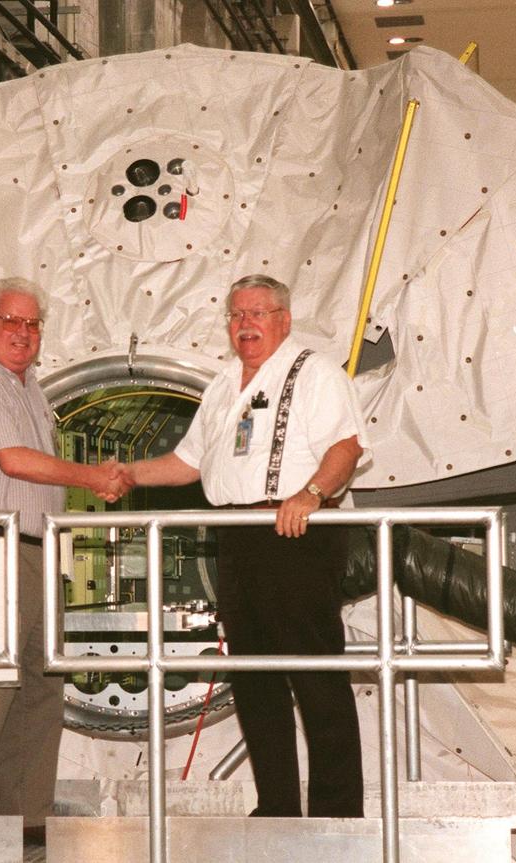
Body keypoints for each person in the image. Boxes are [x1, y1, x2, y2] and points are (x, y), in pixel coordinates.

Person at [121, 274, 368, 818]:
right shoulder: (222, 384)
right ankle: (276, 807)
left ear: (284, 319)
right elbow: (186, 463)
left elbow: (346, 447)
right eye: (236, 315)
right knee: (254, 677)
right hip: (237, 537)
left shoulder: (316, 373)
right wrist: (125, 474)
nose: (245, 324)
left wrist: (311, 494)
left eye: (257, 313)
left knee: (316, 675)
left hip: (296, 533)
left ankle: (337, 814)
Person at [0, 276, 129, 843]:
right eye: (11, 321)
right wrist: (94, 477)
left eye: (32, 323)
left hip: (34, 552)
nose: (23, 333)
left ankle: (27, 823)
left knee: (39, 692)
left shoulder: (31, 389)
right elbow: (15, 461)